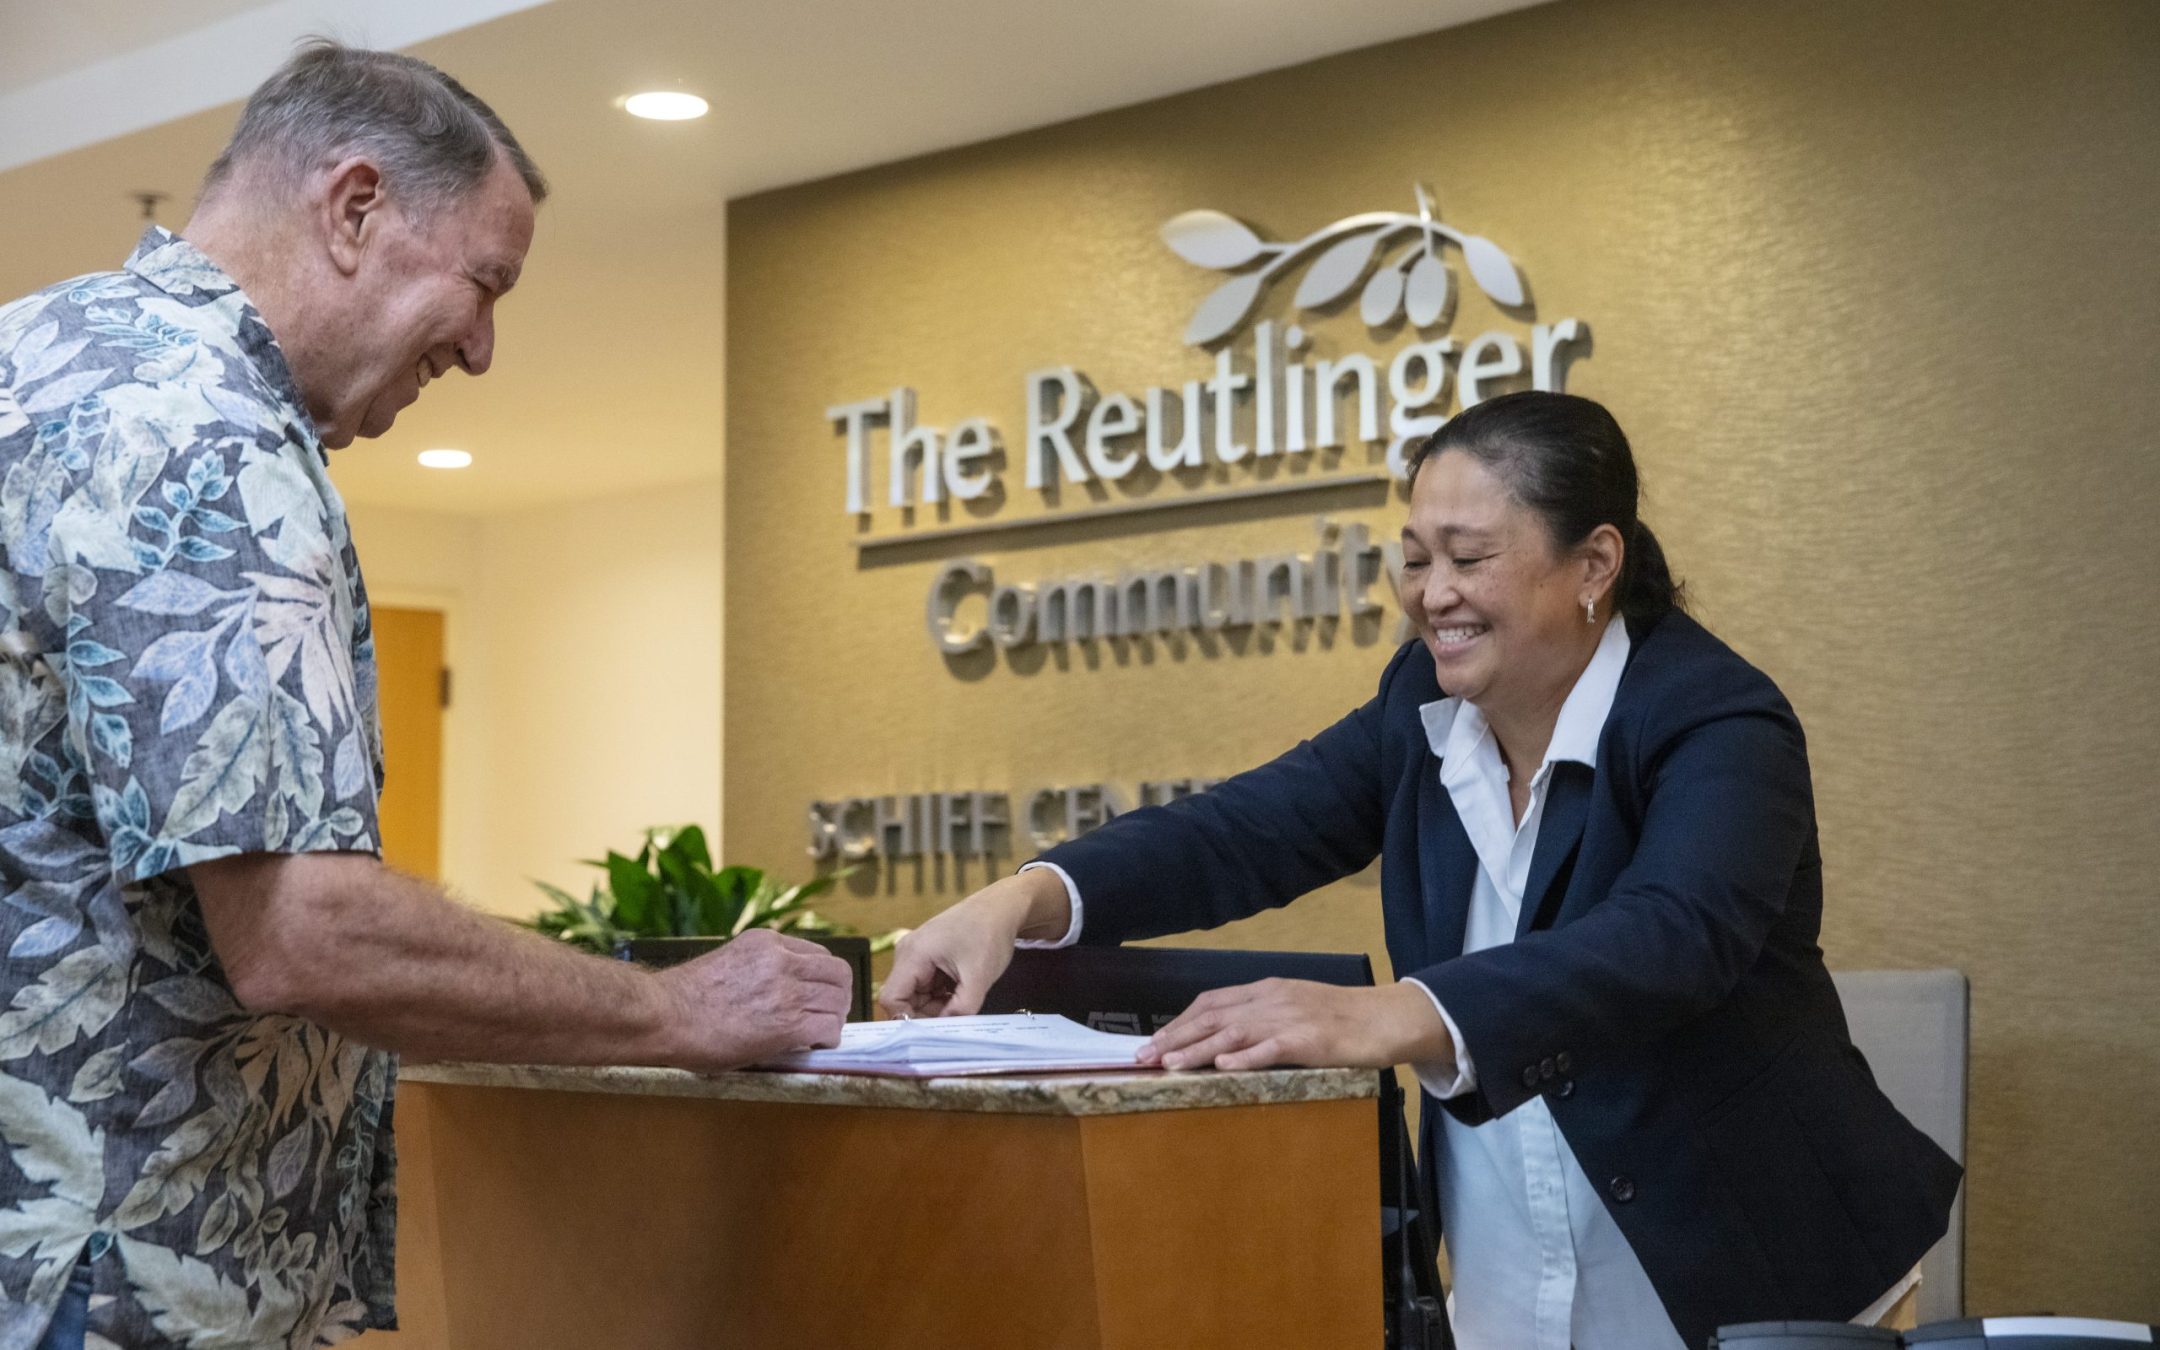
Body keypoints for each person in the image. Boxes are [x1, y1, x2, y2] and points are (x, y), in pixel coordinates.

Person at [0, 42, 850, 1350]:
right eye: (484, 283)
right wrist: (675, 1009)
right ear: (354, 209)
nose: (485, 347)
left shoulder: (34, 357)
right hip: (118, 1272)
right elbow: (302, 927)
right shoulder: (210, 437)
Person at [882, 390, 1962, 1349]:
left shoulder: (1716, 716)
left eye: (1468, 555)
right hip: (1508, 1292)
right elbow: (1246, 830)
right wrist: (1024, 898)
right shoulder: (1422, 706)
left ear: (1593, 563)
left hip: (1753, 1285)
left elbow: (1675, 937)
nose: (1431, 591)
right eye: (1414, 556)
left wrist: (1398, 1014)